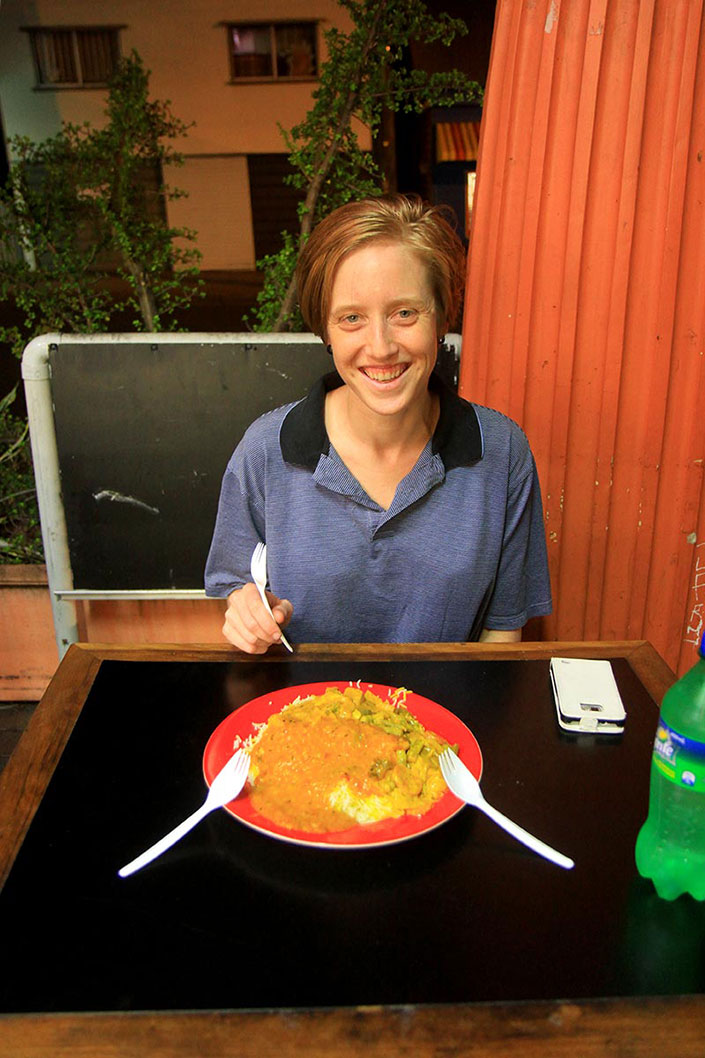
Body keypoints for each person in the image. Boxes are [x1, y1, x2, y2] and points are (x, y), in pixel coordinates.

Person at [205, 194, 552, 653]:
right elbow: (233, 587)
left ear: (442, 317)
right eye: (352, 319)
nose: (381, 347)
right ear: (325, 330)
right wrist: (246, 612)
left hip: (443, 718)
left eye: (404, 313)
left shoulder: (502, 453)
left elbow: (503, 632)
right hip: (305, 714)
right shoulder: (266, 450)